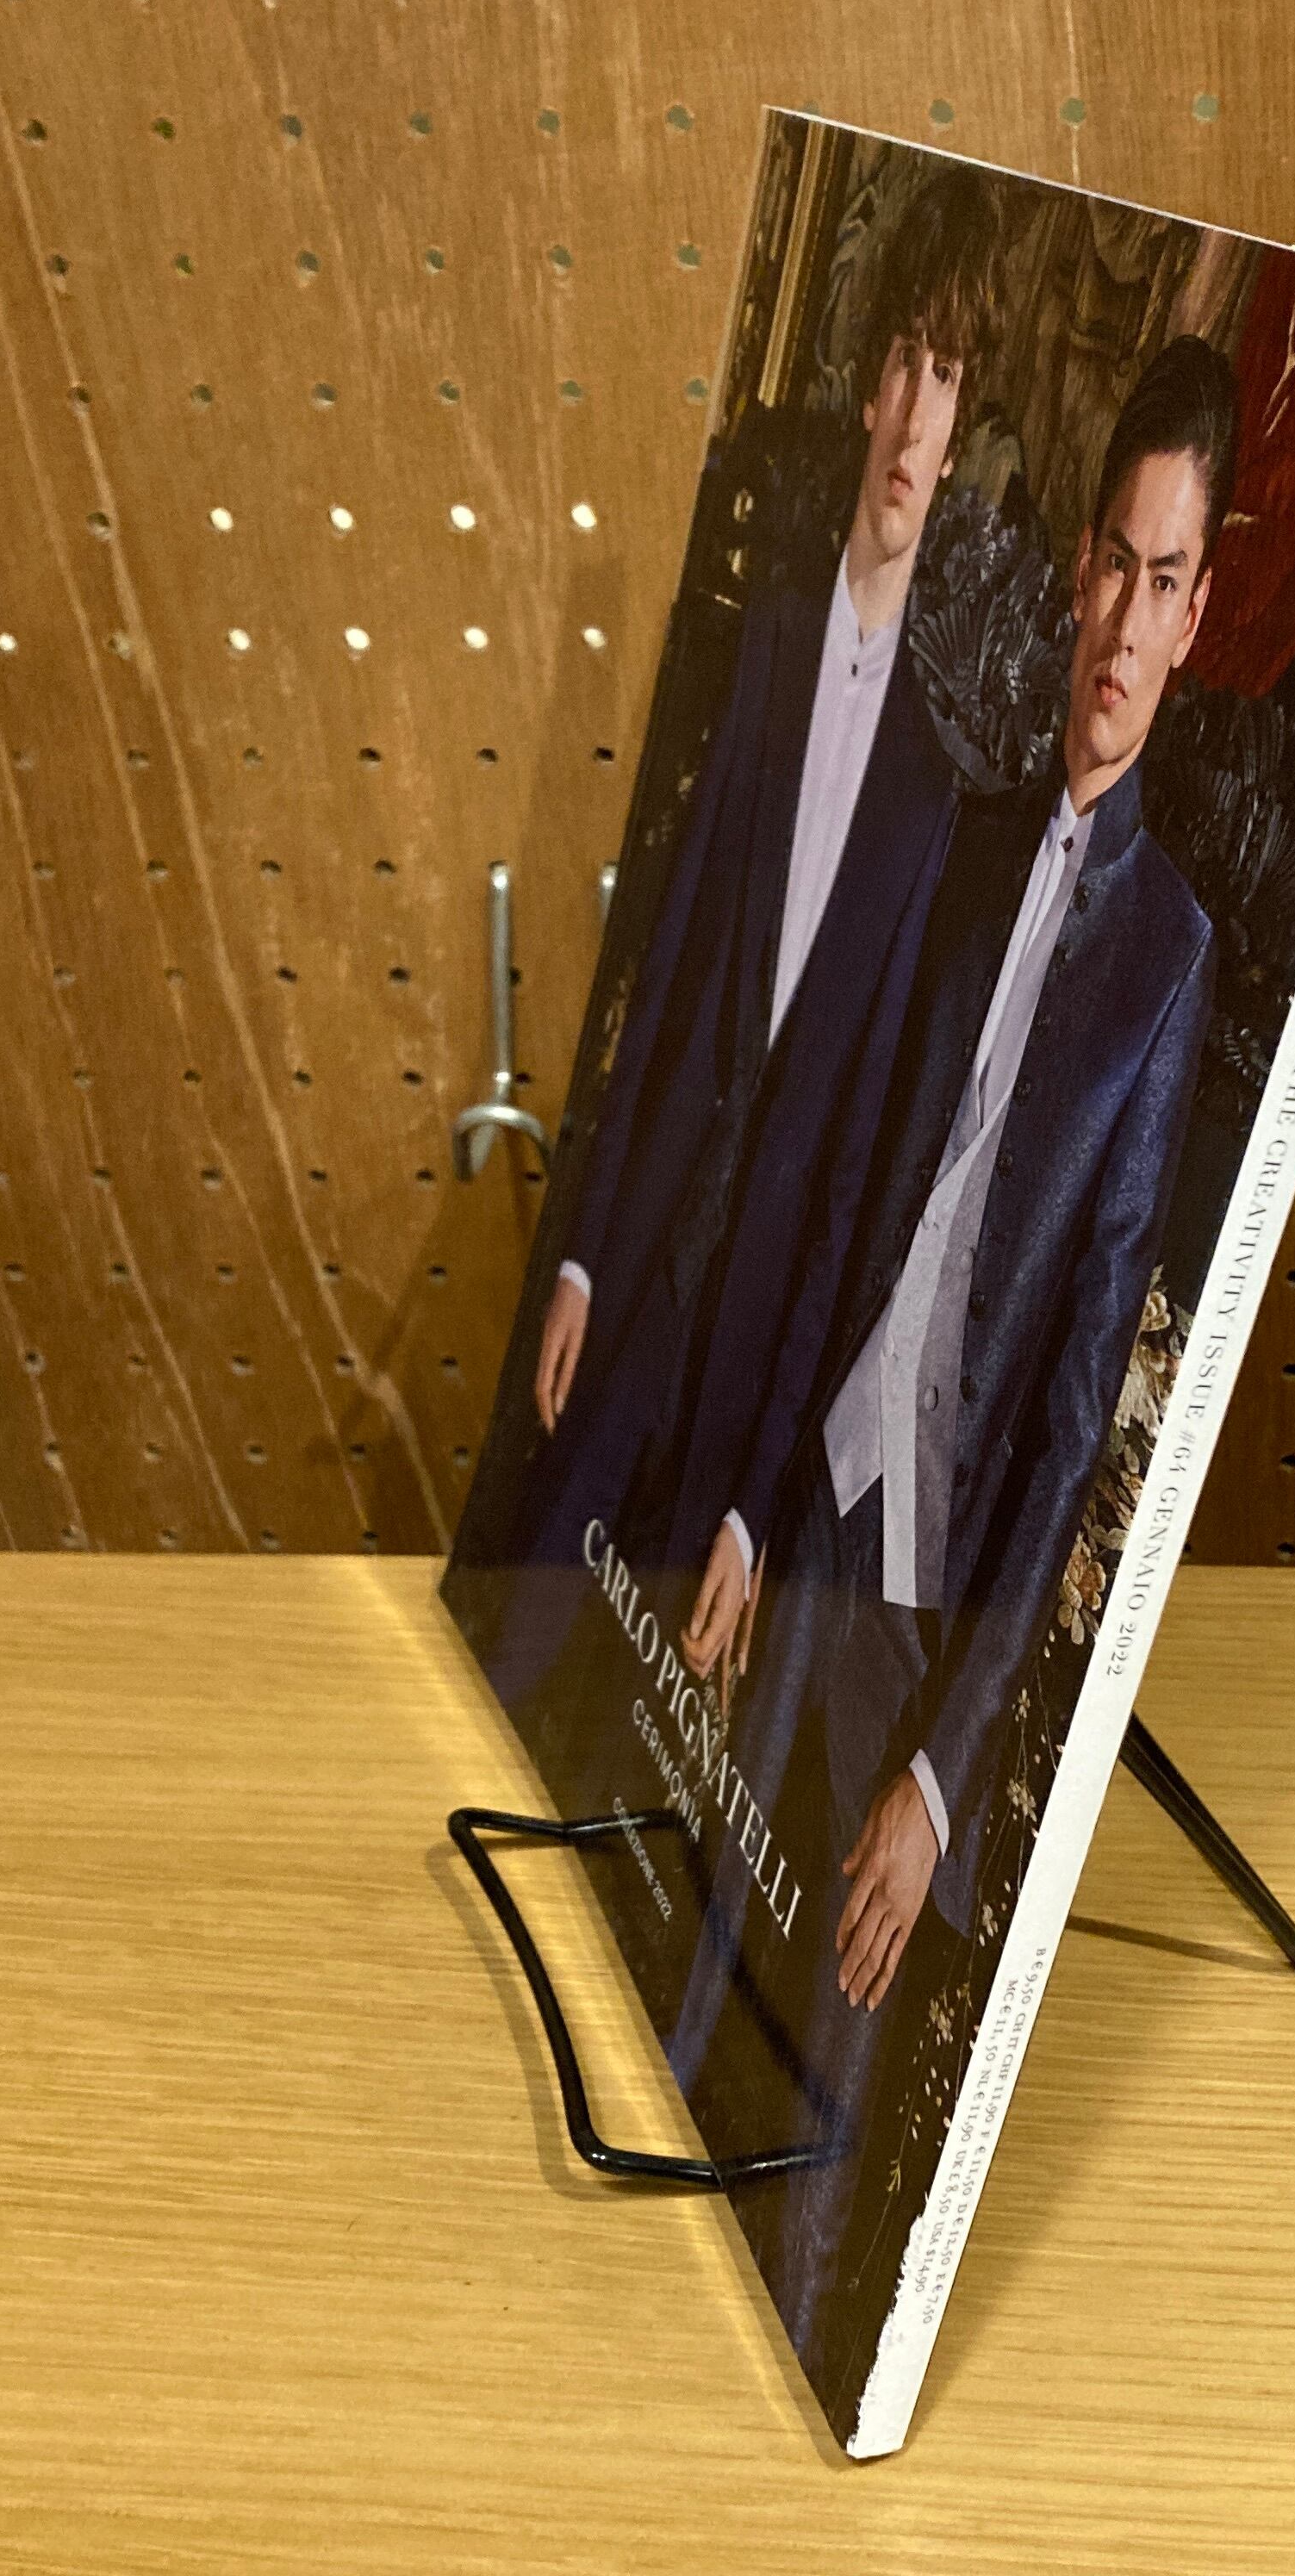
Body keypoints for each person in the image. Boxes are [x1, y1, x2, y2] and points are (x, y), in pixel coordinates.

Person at [670, 336, 1239, 2367]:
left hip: (930, 1626)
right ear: (1080, 570)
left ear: (1198, 615)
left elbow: (1079, 1412)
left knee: (822, 2125)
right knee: (695, 1980)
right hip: (813, 1504)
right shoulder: (974, 840)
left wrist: (940, 1770)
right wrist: (751, 1498)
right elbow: (842, 1197)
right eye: (1113, 565)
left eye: (1168, 582)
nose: (1126, 620)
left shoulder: (1169, 961)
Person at [467, 170, 1004, 1727]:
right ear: (869, 388)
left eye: (949, 379)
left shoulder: (931, 797)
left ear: (962, 429)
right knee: (503, 1652)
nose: (915, 417)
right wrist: (579, 1253)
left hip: (744, 1366)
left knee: (614, 1734)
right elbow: (661, 982)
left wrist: (762, 1502)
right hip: (630, 1273)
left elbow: (850, 1187)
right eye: (903, 364)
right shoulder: (763, 643)